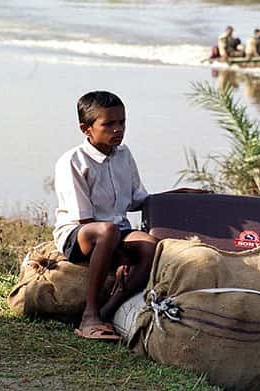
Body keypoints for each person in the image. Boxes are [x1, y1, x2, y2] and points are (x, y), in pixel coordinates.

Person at [53, 91, 158, 341]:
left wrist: (174, 196)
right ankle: (89, 316)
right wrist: (119, 256)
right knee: (107, 230)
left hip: (115, 229)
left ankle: (108, 312)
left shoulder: (124, 155)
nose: (118, 129)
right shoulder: (73, 161)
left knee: (149, 246)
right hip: (79, 233)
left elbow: (135, 199)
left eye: (122, 122)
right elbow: (85, 219)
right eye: (108, 124)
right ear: (86, 128)